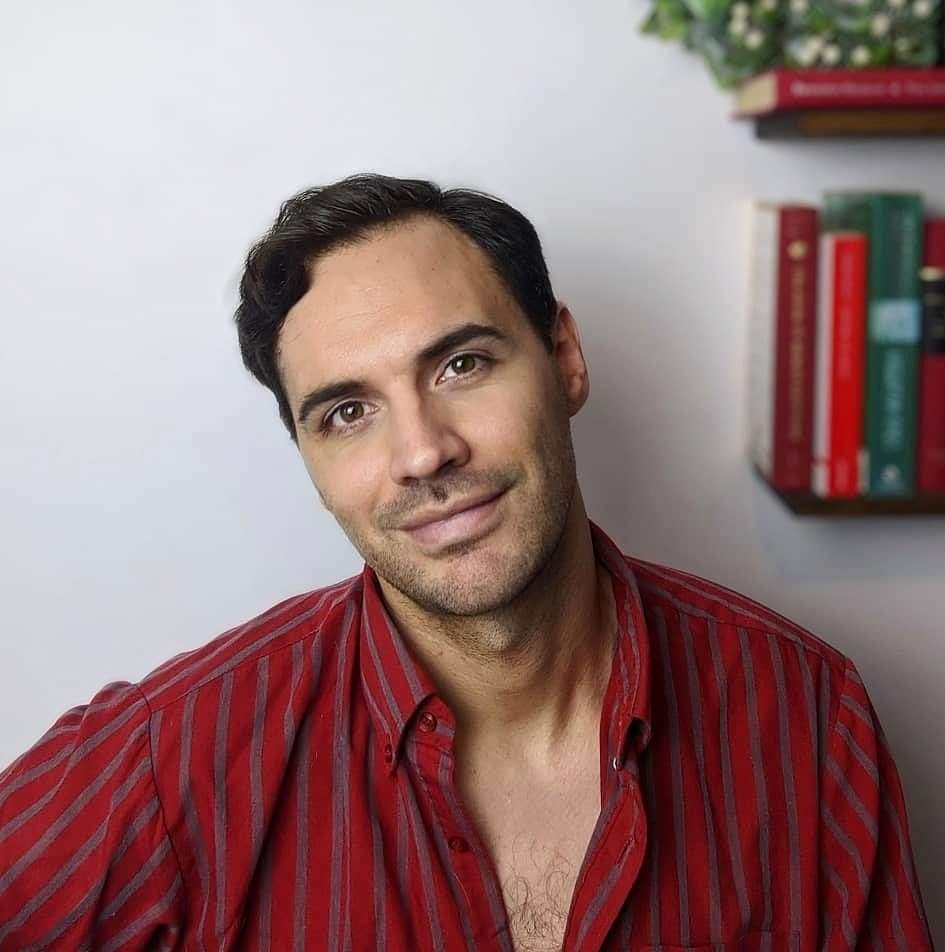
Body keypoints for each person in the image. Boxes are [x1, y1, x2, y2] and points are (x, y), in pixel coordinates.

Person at [0, 174, 932, 952]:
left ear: (563, 357)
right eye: (347, 413)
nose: (423, 452)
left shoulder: (805, 709)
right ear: (308, 460)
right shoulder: (175, 760)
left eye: (461, 365)